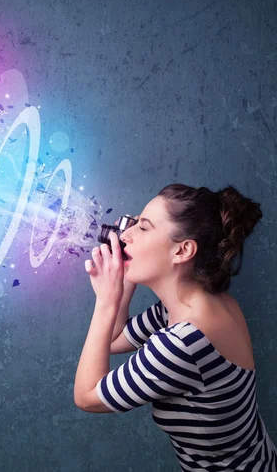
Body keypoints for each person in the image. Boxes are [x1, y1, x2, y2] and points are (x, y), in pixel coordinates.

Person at [74, 183, 277, 471]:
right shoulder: (197, 305)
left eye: (143, 228)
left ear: (182, 250)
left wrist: (106, 301)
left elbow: (86, 397)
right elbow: (113, 339)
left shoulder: (182, 343)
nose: (125, 234)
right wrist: (124, 281)